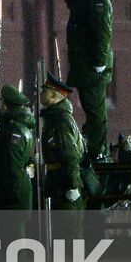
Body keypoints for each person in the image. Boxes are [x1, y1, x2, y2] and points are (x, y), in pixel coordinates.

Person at [62, 0, 113, 165]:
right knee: (89, 107)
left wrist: (100, 61)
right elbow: (75, 6)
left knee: (94, 108)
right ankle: (94, 145)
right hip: (85, 64)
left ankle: (96, 150)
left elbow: (102, 32)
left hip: (93, 65)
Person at [0, 85, 35, 212]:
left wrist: (8, 197)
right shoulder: (11, 127)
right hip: (8, 194)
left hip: (12, 199)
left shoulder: (15, 131)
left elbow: (12, 165)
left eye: (2, 102)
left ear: (6, 106)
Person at [39, 74, 85, 212]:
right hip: (57, 181)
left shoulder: (60, 121)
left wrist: (73, 186)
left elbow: (71, 156)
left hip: (63, 184)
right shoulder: (53, 119)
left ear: (53, 96)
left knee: (67, 229)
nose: (41, 94)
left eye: (44, 92)